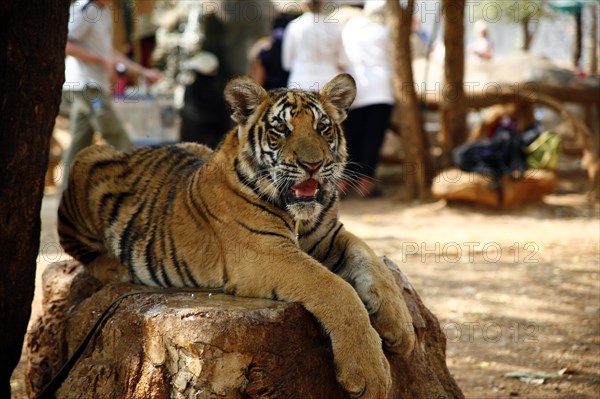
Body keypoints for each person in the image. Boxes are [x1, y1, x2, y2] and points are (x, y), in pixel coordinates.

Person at [61, 0, 161, 189]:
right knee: (116, 134)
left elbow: (109, 53)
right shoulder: (86, 9)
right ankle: (140, 186)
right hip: (85, 85)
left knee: (78, 143)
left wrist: (142, 72)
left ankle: (66, 194)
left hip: (95, 85)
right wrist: (101, 61)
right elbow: (66, 44)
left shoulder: (104, 11)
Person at [340, 0, 394, 197]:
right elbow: (393, 60)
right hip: (380, 91)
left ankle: (341, 187)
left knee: (352, 140)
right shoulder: (384, 31)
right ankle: (366, 187)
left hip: (355, 91)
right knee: (373, 139)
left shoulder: (349, 29)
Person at [281, 0, 345, 91]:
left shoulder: (294, 26)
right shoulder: (335, 27)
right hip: (329, 85)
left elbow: (287, 63)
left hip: (300, 82)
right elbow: (341, 61)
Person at [248, 13, 296, 90]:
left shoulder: (265, 54)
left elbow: (258, 82)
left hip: (269, 97)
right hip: (288, 97)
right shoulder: (293, 55)